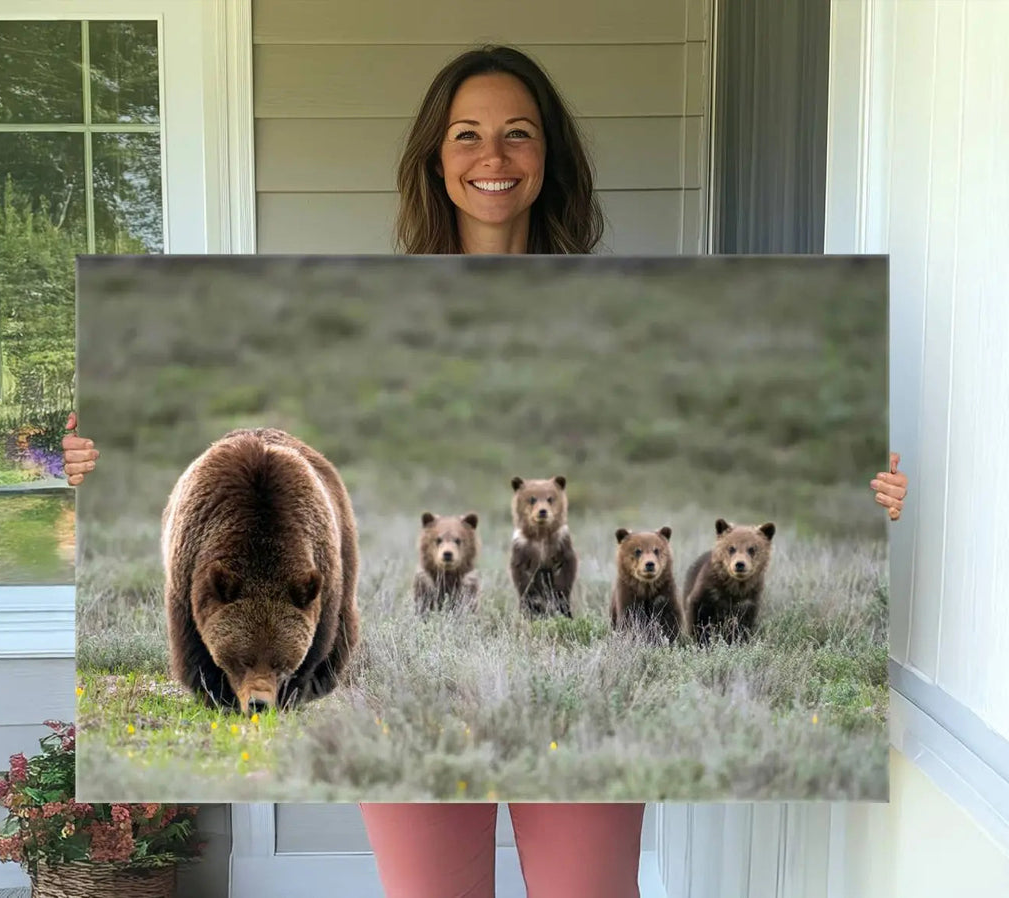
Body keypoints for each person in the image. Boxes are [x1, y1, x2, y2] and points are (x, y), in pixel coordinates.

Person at [61, 45, 908, 898]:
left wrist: (877, 496)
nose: (492, 157)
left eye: (518, 135)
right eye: (466, 135)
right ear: (437, 158)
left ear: (549, 158)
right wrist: (89, 464)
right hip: (418, 667)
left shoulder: (621, 305)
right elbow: (280, 438)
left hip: (577, 691)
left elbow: (716, 406)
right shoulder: (369, 303)